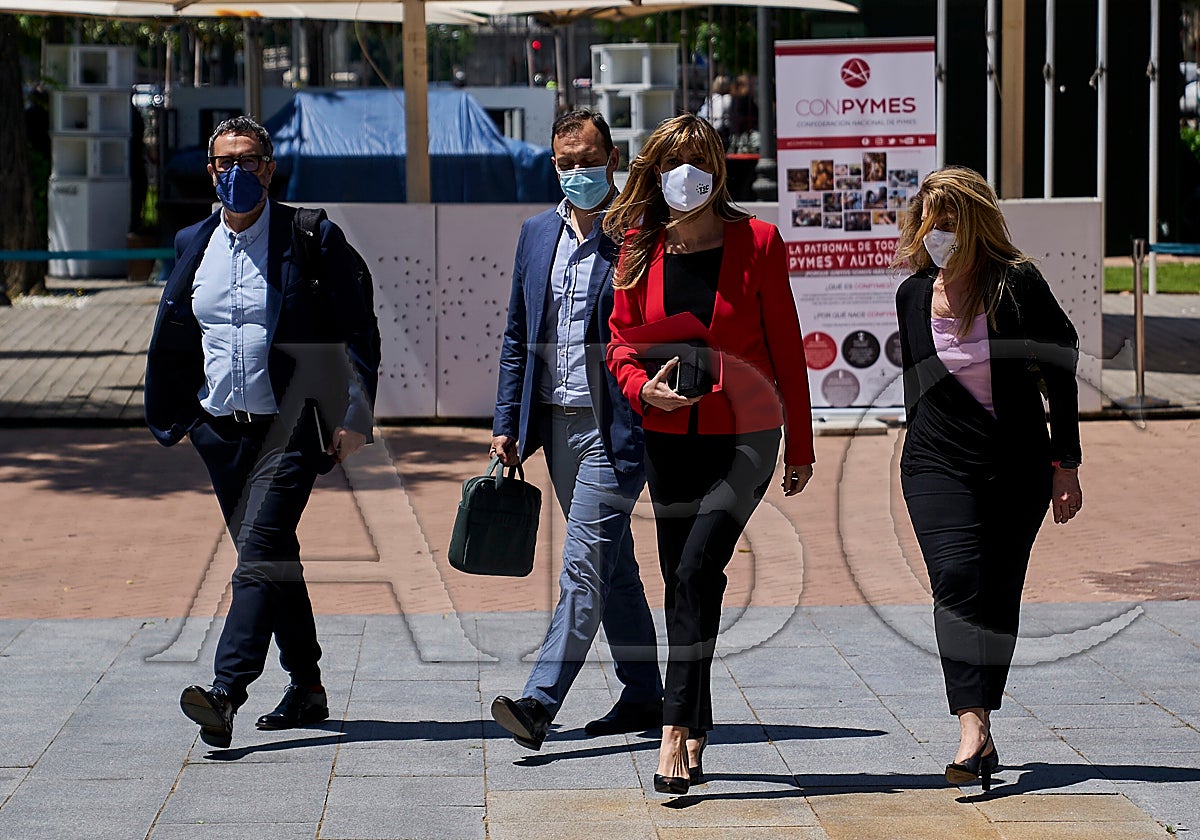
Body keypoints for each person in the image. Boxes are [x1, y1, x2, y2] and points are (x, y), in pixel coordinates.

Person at [145, 116, 380, 748]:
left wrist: (356, 415)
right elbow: (179, 333)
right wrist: (187, 419)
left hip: (292, 425)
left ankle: (226, 690)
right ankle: (307, 685)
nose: (235, 173)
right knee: (273, 555)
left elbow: (359, 326)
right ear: (212, 171)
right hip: (221, 429)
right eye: (224, 163)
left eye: (248, 161)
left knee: (258, 550)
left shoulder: (310, 235)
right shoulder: (193, 241)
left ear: (269, 169)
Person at [604, 114, 815, 795]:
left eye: (698, 159)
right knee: (688, 583)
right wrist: (644, 393)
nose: (685, 174)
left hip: (747, 435)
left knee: (696, 569)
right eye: (671, 161)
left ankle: (672, 730)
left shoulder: (757, 241)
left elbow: (786, 345)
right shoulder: (640, 246)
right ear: (653, 172)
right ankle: (697, 718)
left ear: (718, 169)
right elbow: (620, 344)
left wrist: (801, 445)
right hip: (669, 440)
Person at [891, 165, 1083, 791]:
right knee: (957, 579)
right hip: (936, 462)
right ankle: (970, 727)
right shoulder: (914, 293)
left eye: (949, 224)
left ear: (976, 225)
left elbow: (1060, 365)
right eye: (929, 223)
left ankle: (986, 724)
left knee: (997, 594)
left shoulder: (1015, 284)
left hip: (1015, 464)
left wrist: (1066, 463)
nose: (937, 235)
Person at [489, 109, 664, 751]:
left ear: (612, 160)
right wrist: (507, 421)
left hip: (615, 426)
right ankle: (646, 693)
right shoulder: (536, 234)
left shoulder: (640, 233)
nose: (576, 172)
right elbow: (517, 334)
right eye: (565, 162)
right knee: (611, 564)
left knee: (584, 563)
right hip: (554, 424)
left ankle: (540, 700)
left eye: (588, 160)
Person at [698, 75, 733, 148]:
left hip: (707, 127)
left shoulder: (711, 98)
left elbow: (701, 113)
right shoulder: (728, 99)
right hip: (722, 131)